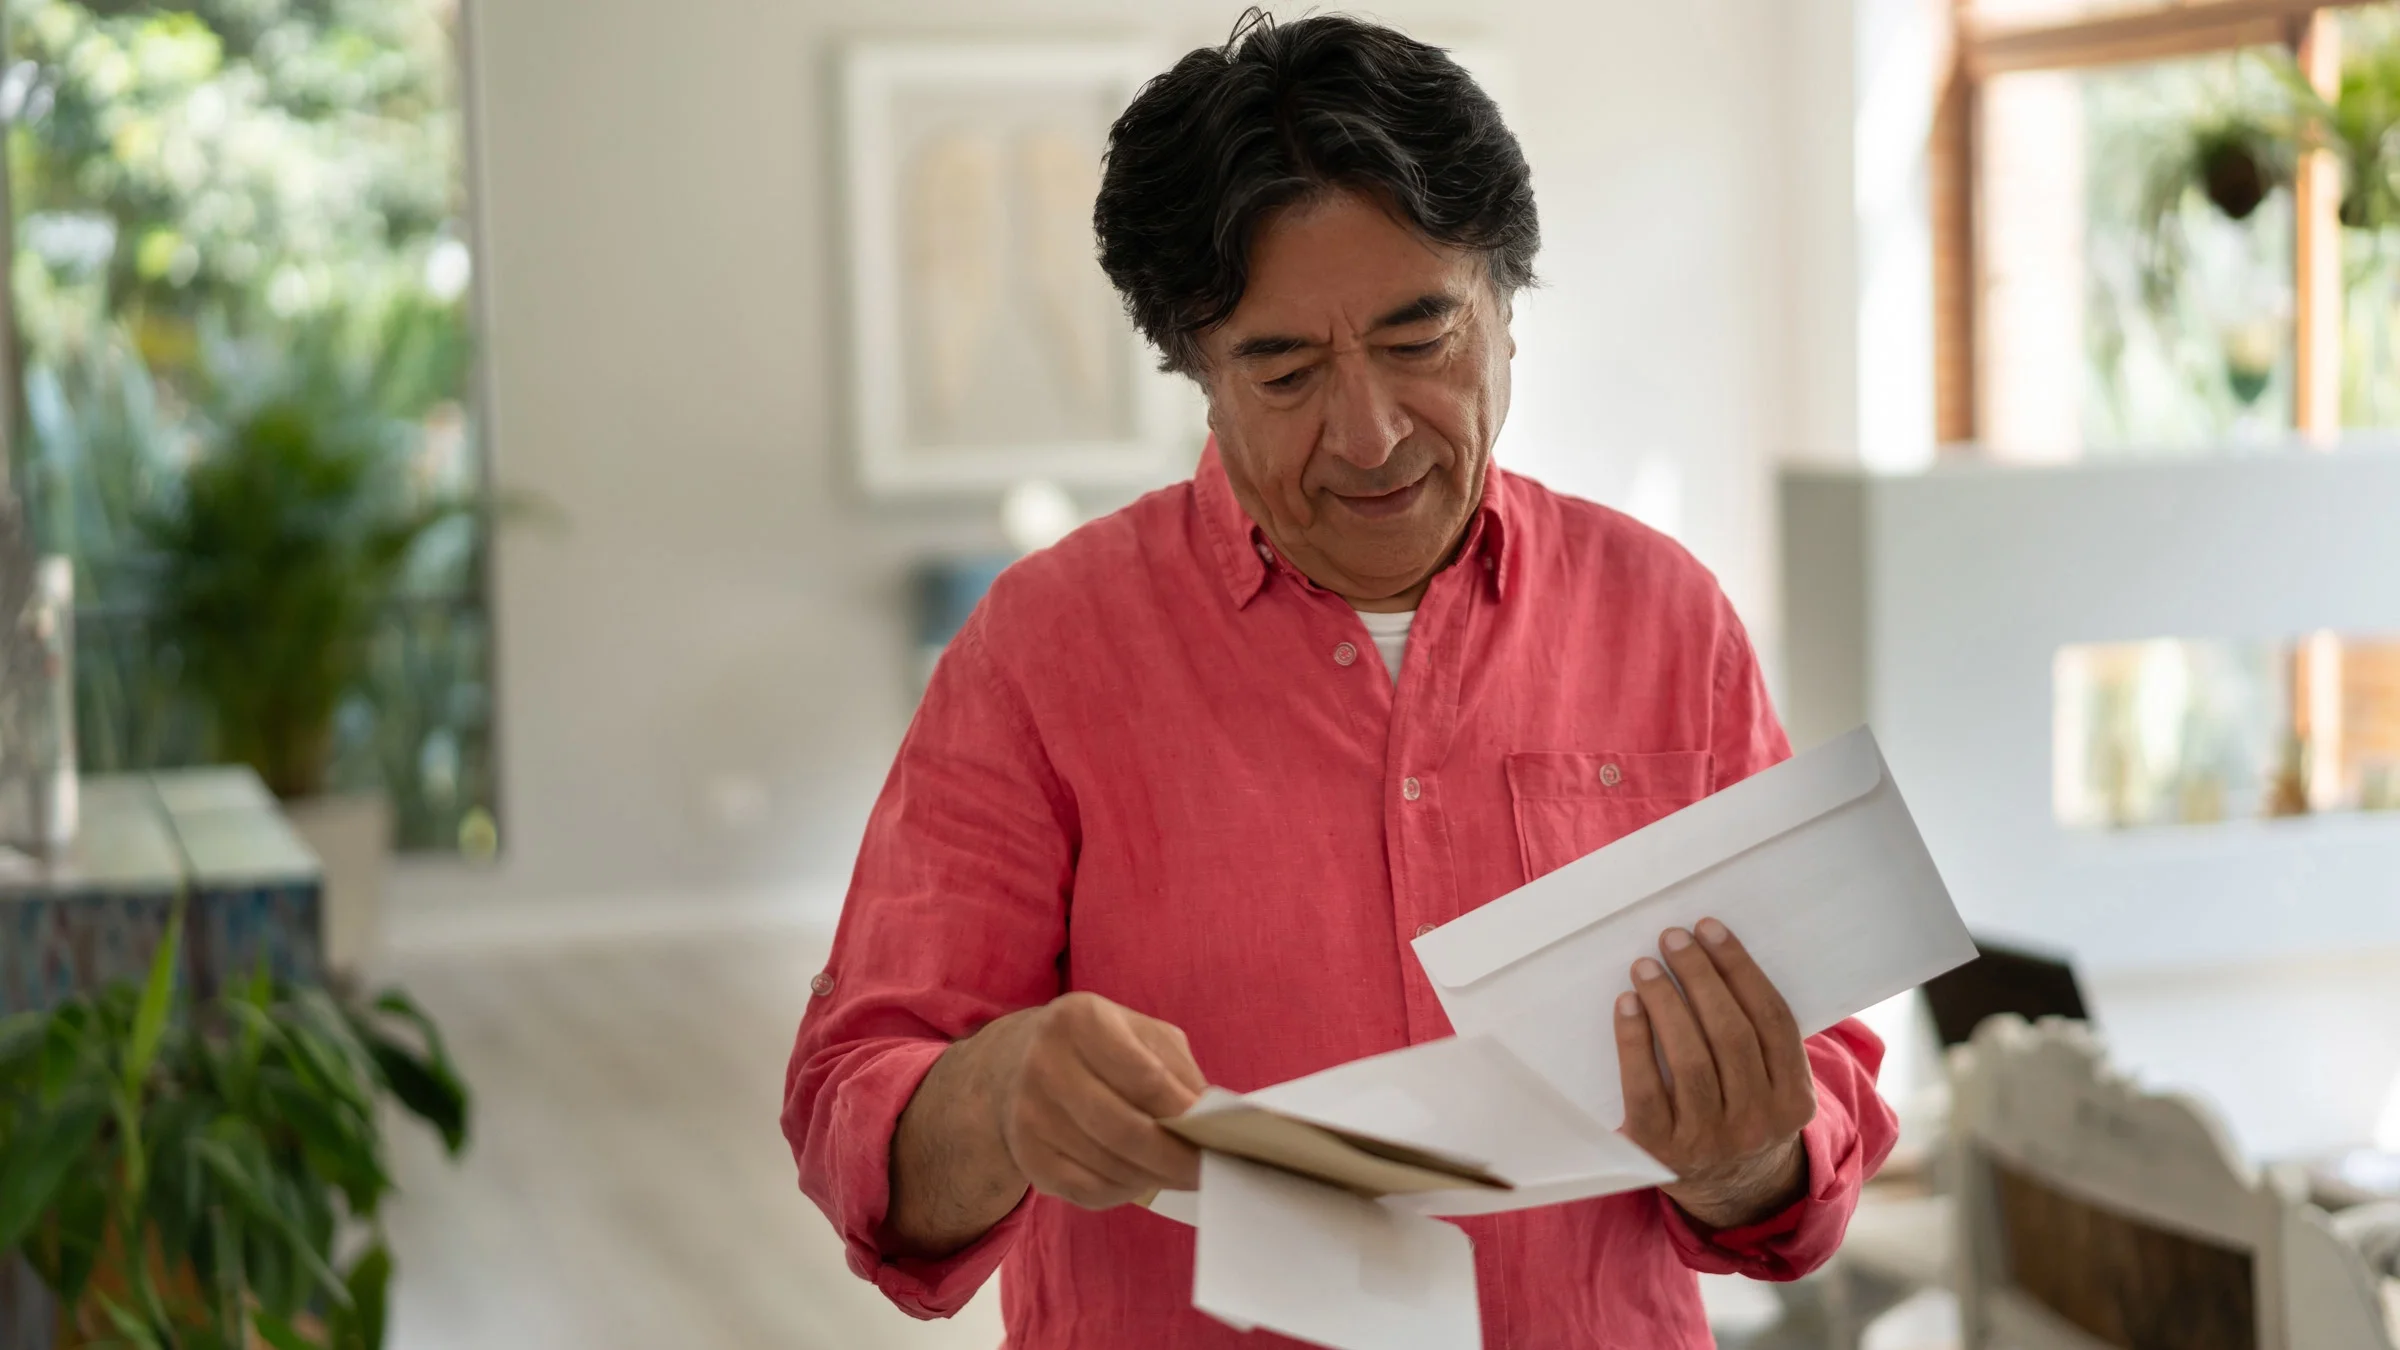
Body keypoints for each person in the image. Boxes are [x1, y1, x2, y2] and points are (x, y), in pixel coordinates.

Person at [783, 12, 1895, 1346]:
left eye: (1422, 336)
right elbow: (856, 1102)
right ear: (1197, 370)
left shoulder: (1669, 619)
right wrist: (1005, 1091)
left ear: (1506, 308)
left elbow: (1815, 1122)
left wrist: (1740, 1155)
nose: (1368, 434)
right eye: (1284, 367)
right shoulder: (1043, 648)